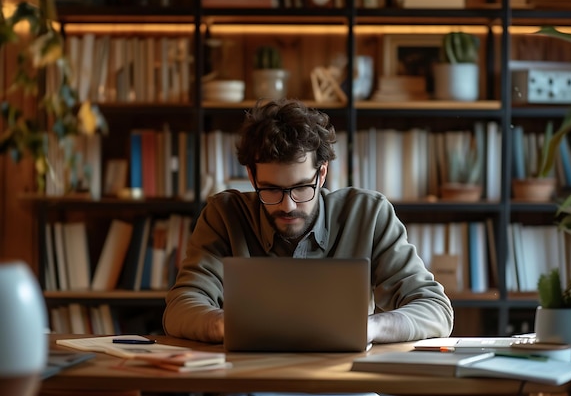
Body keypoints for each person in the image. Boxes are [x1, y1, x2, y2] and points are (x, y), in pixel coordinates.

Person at [163, 98, 453, 344]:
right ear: (252, 177)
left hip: (343, 385)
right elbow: (179, 308)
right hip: (251, 383)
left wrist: (368, 327)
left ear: (322, 174)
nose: (288, 205)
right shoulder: (223, 215)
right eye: (272, 189)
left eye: (302, 187)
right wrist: (228, 325)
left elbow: (436, 309)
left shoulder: (368, 213)